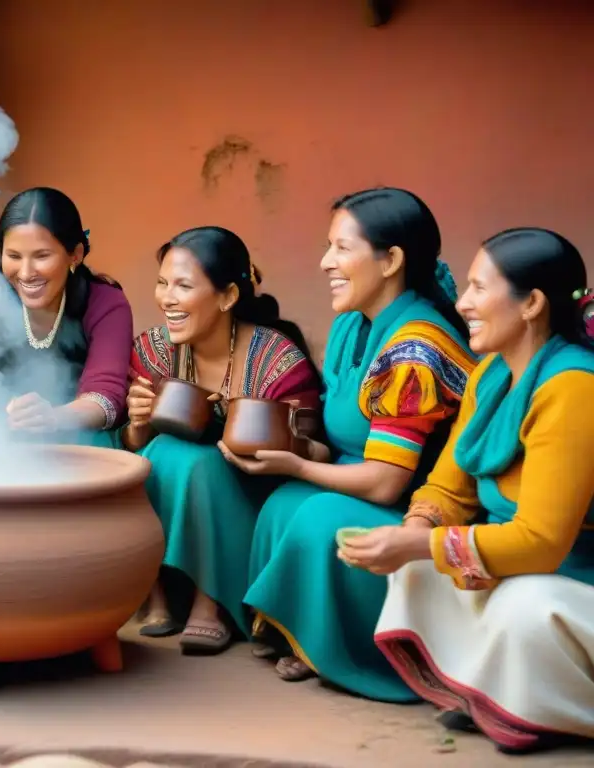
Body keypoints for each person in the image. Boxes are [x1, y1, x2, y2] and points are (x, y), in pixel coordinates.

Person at [349, 228, 594, 753]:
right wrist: (415, 532)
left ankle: (543, 710)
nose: (463, 304)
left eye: (480, 289)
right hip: (528, 562)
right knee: (414, 564)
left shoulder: (575, 387)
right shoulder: (491, 374)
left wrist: (417, 544)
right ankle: (485, 692)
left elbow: (543, 544)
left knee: (524, 606)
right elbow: (449, 487)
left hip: (575, 574)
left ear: (531, 304)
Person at [236, 188, 476, 699]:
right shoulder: (352, 324)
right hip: (359, 483)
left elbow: (387, 483)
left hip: (418, 511)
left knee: (318, 514)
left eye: (342, 249)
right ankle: (296, 632)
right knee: (285, 503)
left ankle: (353, 647)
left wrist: (300, 467)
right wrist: (303, 453)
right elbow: (342, 432)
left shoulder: (416, 348)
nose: (326, 262)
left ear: (391, 260)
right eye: (329, 247)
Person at [123, 226, 321, 654]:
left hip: (251, 508)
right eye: (162, 283)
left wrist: (278, 444)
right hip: (178, 508)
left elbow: (318, 449)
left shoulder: (277, 360)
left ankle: (210, 604)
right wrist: (139, 421)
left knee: (200, 461)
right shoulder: (154, 352)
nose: (167, 298)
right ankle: (158, 592)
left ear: (228, 295)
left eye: (183, 286)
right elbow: (133, 444)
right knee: (159, 452)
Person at [0, 187, 132, 441]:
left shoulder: (105, 304)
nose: (26, 272)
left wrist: (53, 418)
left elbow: (106, 398)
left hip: (79, 442)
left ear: (75, 254)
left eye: (42, 256)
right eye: (14, 256)